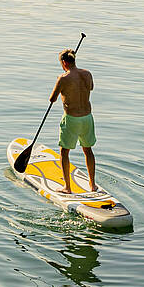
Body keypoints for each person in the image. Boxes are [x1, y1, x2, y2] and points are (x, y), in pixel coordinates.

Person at [50, 48, 97, 193]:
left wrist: (63, 81)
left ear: (64, 62)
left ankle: (67, 187)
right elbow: (91, 88)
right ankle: (92, 185)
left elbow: (52, 99)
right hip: (87, 118)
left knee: (64, 152)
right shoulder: (87, 74)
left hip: (71, 119)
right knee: (88, 150)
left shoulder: (63, 78)